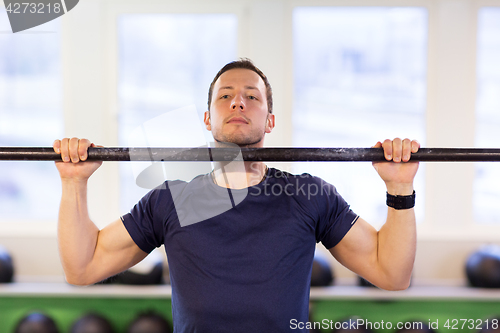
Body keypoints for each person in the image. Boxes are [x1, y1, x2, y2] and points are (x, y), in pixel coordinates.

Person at [53, 59, 420, 332]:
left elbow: (392, 273)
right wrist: (73, 183)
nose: (238, 103)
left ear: (270, 120)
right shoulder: (171, 200)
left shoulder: (308, 195)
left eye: (252, 97)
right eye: (225, 96)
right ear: (208, 119)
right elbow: (82, 267)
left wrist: (399, 188)